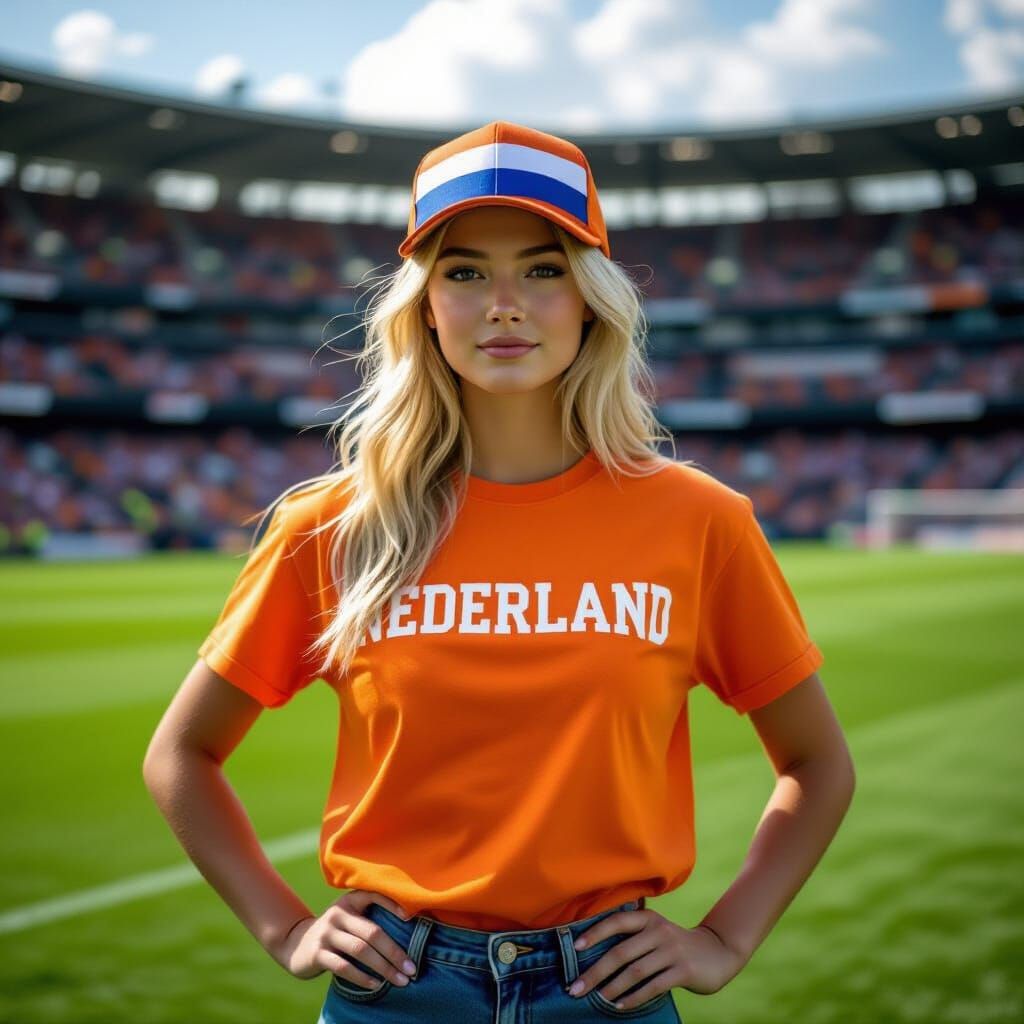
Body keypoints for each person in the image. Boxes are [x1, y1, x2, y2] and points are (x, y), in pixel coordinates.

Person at [143, 120, 856, 1023]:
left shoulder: (700, 521)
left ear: (593, 298)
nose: (504, 303)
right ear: (424, 305)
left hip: (607, 989)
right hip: (393, 991)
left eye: (545, 268)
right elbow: (181, 755)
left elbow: (817, 762)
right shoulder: (331, 525)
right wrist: (285, 930)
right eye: (466, 270)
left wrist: (723, 938)